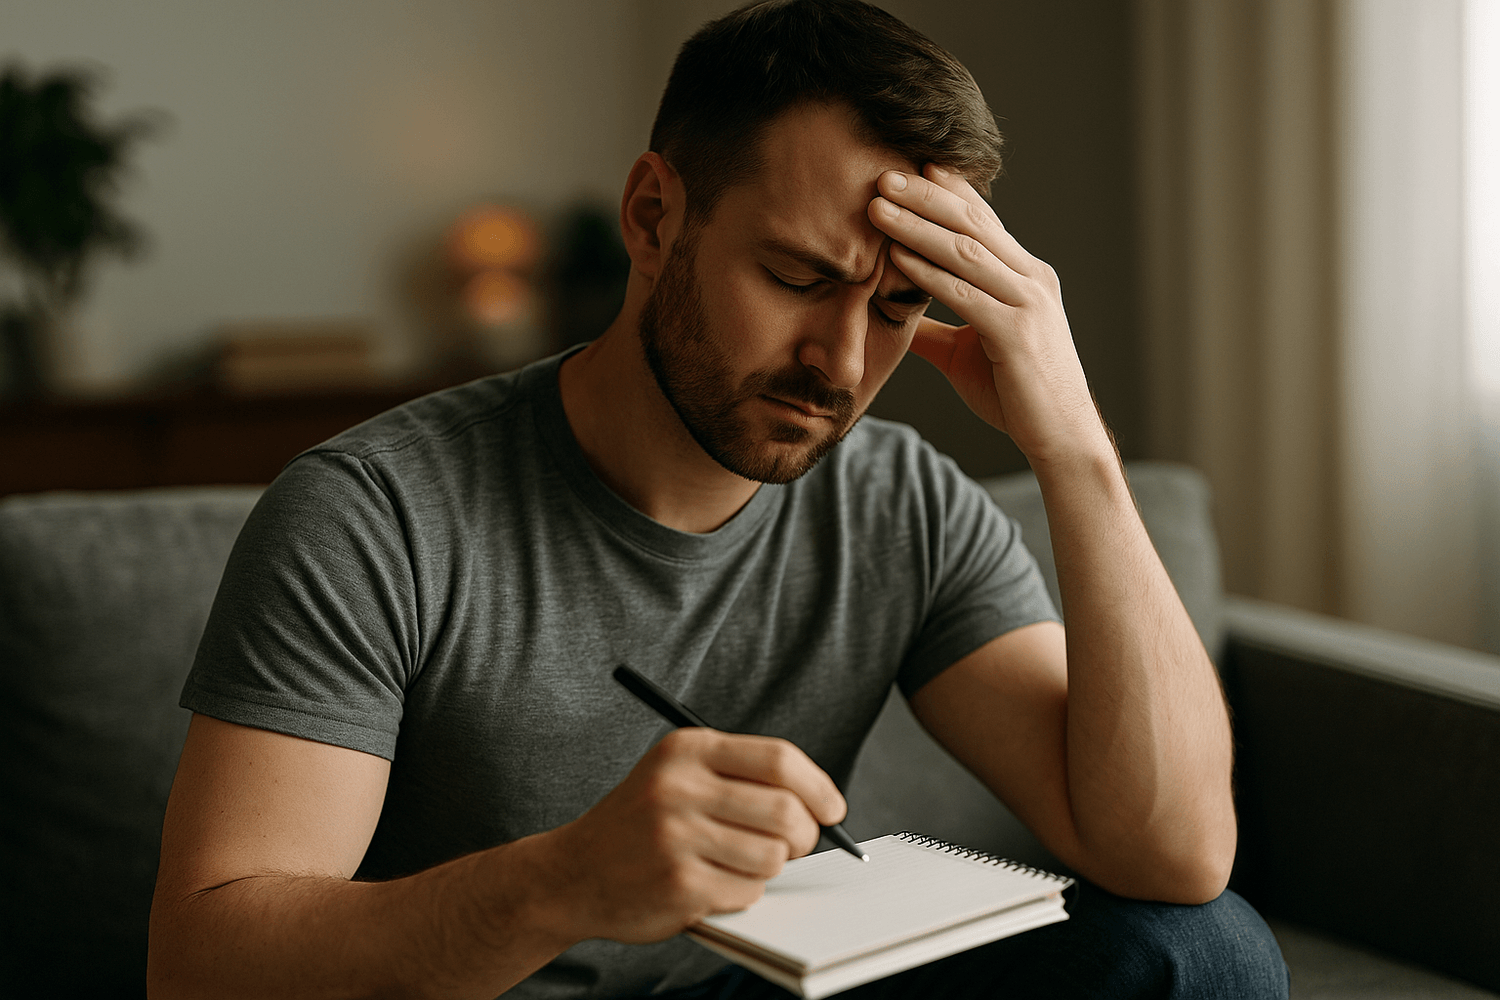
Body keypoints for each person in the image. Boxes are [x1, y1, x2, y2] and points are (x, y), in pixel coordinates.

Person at [147, 2, 1289, 998]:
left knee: (1203, 953)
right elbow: (200, 968)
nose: (841, 363)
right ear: (653, 217)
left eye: (896, 307)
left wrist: (1075, 446)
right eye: (798, 278)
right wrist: (561, 883)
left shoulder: (902, 505)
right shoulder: (374, 515)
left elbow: (1175, 856)